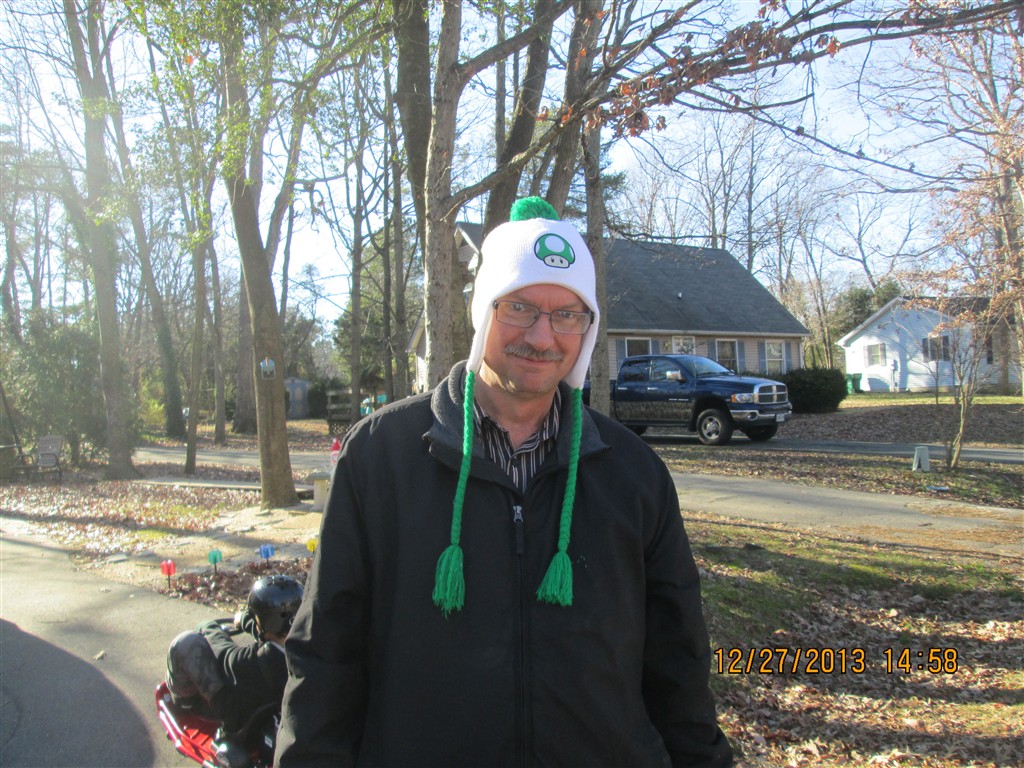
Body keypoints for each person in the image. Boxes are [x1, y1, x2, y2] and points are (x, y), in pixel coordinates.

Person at [275, 198, 733, 767]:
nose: (542, 337)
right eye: (519, 307)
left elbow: (679, 663)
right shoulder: (379, 456)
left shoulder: (633, 474)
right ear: (482, 310)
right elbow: (325, 655)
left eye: (567, 314)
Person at [166, 574, 303, 765]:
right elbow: (273, 636)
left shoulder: (251, 662)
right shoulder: (309, 648)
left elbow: (222, 650)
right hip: (281, 717)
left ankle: (185, 704)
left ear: (263, 622)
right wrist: (246, 620)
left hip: (239, 721)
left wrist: (207, 626)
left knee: (186, 643)